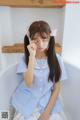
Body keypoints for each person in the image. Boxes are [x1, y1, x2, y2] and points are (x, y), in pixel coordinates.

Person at [9, 20, 67, 120]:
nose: (40, 44)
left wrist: (46, 113)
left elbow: (56, 88)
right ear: (30, 40)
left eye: (44, 40)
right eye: (35, 40)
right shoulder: (24, 59)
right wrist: (32, 55)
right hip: (26, 100)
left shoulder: (57, 59)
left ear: (50, 40)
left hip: (46, 102)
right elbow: (29, 83)